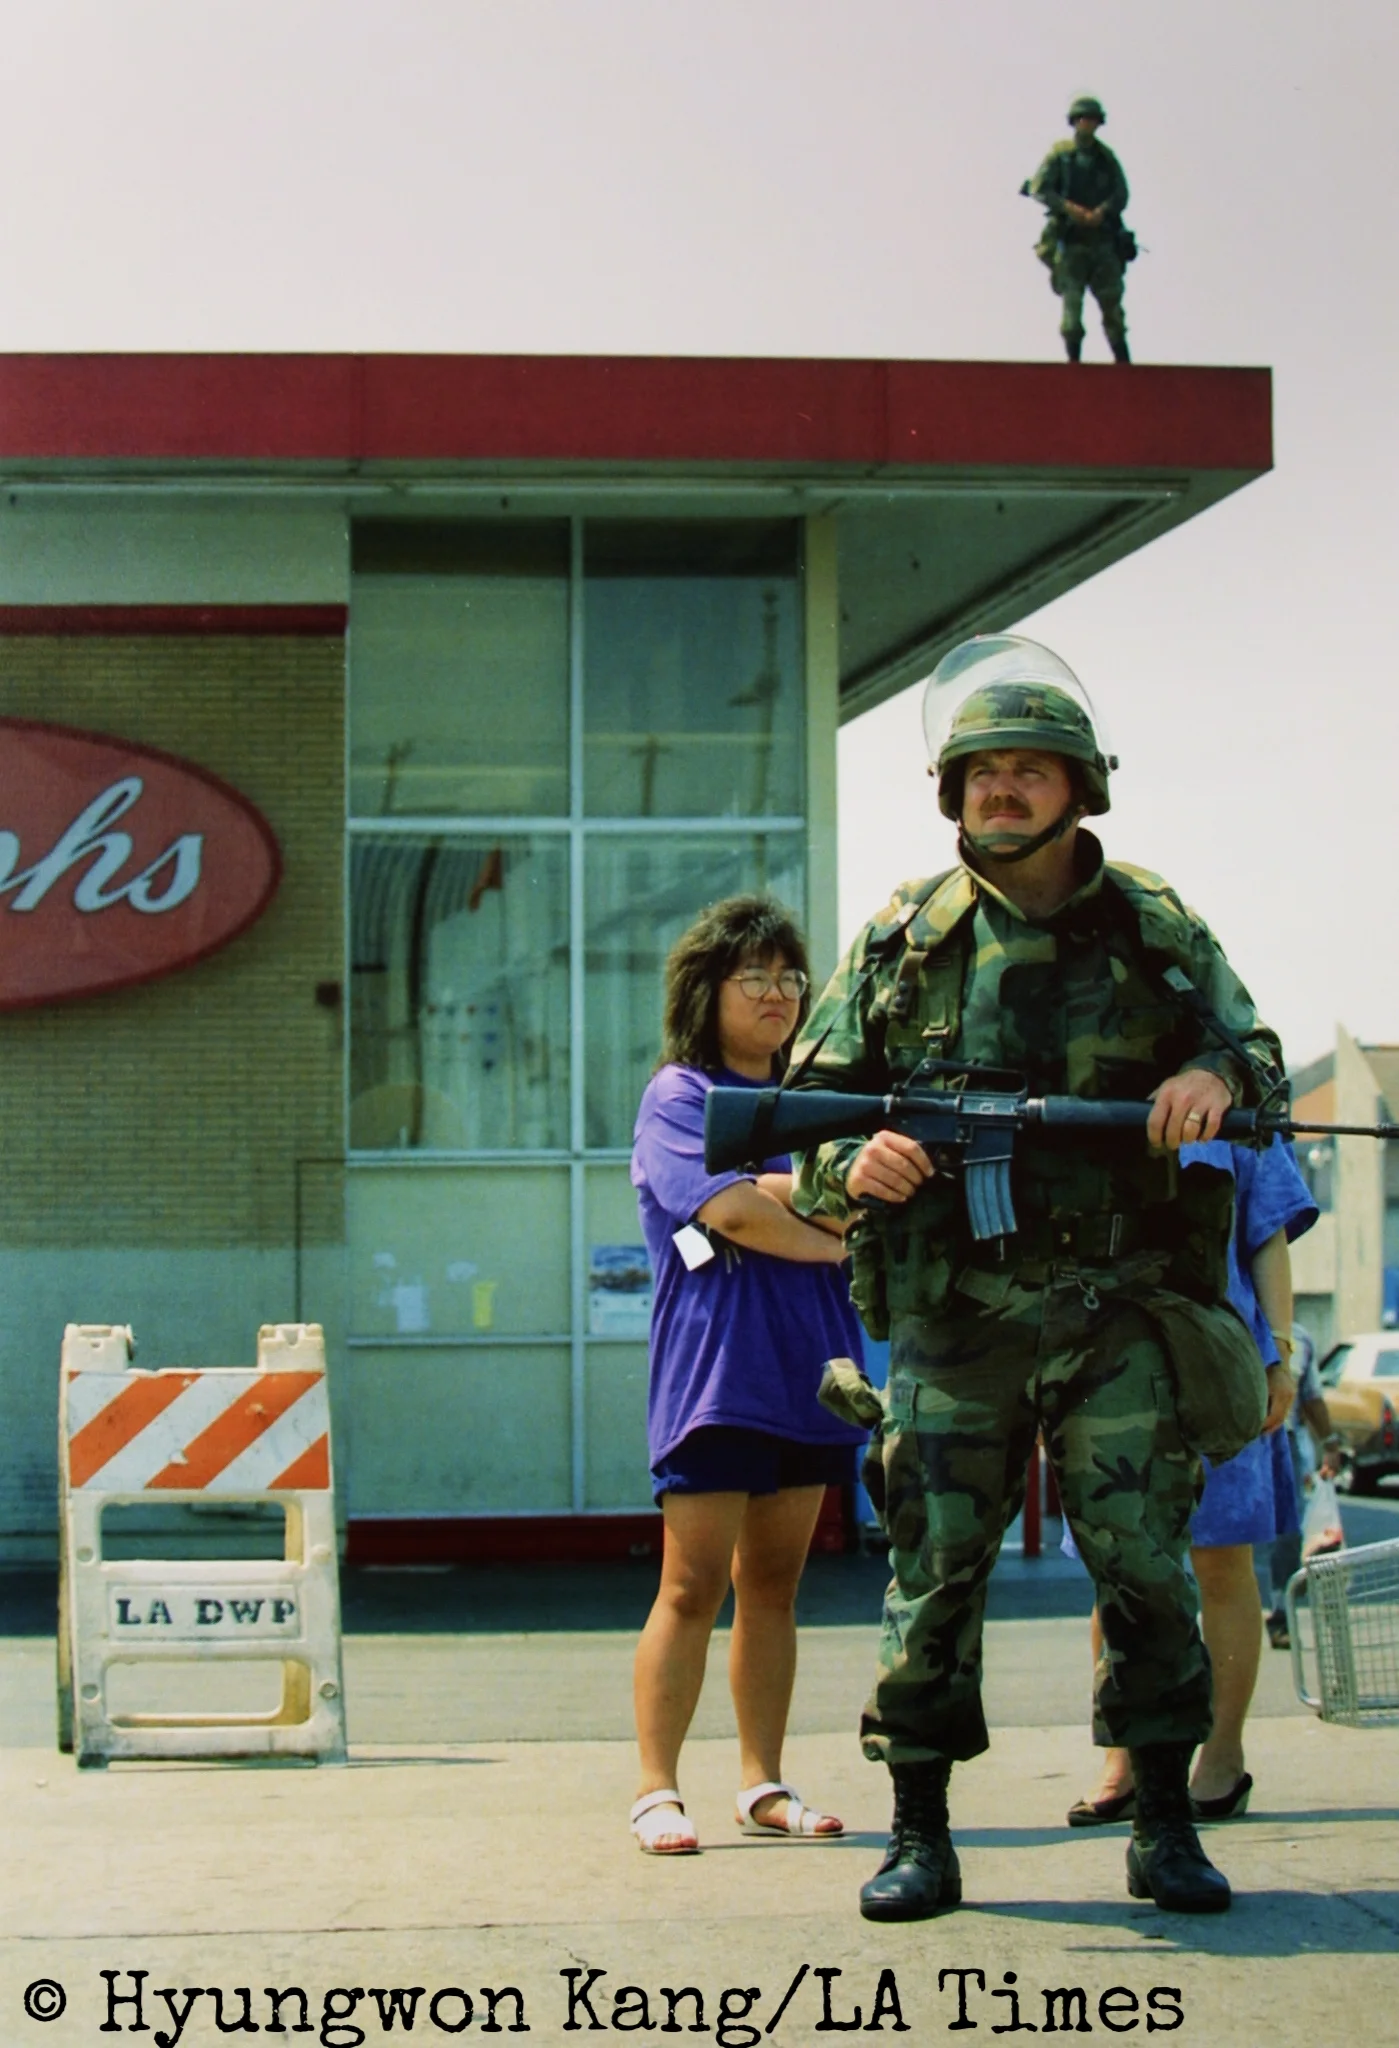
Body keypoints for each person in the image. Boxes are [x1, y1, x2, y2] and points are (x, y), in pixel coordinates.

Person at [788, 633, 1285, 1921]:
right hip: (959, 1311)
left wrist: (1211, 1080)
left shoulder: (1152, 924)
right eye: (981, 772)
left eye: (1029, 771)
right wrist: (861, 1162)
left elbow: (1256, 1055)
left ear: (1079, 787)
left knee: (1141, 1562)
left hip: (1122, 1303)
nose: (1001, 792)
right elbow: (800, 1128)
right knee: (932, 1567)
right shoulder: (900, 937)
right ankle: (918, 1828)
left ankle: (1164, 1817)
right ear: (950, 790)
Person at [628, 895, 867, 1854]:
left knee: (774, 1586)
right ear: (708, 991)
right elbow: (726, 1213)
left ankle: (761, 1783)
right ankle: (655, 1789)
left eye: (788, 976)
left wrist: (783, 1196)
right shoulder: (679, 1096)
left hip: (811, 1372)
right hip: (714, 1375)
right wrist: (814, 1213)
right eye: (753, 977)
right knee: (690, 1586)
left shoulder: (820, 1096)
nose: (776, 994)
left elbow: (851, 1203)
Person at [1067, 1137, 1318, 1828]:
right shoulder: (1085, 1058)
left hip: (1220, 1352)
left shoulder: (1235, 1084)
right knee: (1114, 1566)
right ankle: (1119, 1753)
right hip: (1103, 1353)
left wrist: (1281, 1356)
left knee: (1222, 1563)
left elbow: (1266, 1233)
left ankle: (1220, 1754)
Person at [1024, 94, 1133, 363]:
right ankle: (1074, 368)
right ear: (1074, 122)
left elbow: (1122, 194)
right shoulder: (1061, 155)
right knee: (1071, 313)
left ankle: (1127, 371)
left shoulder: (1106, 158)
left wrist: (1100, 212)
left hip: (1102, 242)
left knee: (1113, 310)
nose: (1087, 124)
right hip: (1071, 242)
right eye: (1082, 119)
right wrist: (1070, 209)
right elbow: (1040, 188)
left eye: (1092, 120)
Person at [1266, 1323, 1339, 1649]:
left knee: (1288, 1533)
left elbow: (1311, 1397)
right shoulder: (1234, 1314)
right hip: (1234, 1439)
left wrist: (1330, 1443)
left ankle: (1281, 1613)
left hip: (1285, 1442)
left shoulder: (1301, 1337)